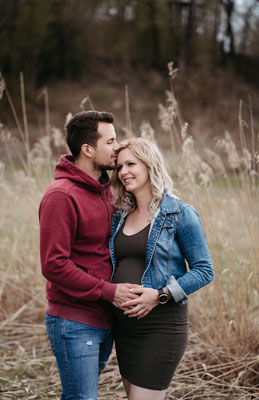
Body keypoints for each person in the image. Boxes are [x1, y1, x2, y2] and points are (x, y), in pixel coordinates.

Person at [39, 111, 139, 400]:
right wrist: (109, 291)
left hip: (105, 317)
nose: (117, 147)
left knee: (75, 396)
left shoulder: (109, 191)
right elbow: (53, 265)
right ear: (87, 149)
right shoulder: (61, 195)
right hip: (74, 321)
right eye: (110, 141)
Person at [109, 137, 214, 400]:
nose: (123, 172)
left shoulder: (180, 213)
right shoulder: (120, 214)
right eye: (119, 166)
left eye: (131, 164)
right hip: (125, 329)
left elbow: (204, 270)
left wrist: (160, 295)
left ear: (149, 164)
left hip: (161, 328)